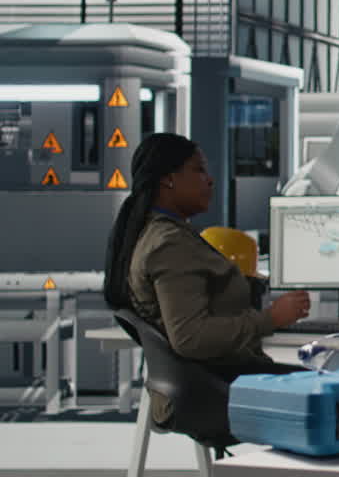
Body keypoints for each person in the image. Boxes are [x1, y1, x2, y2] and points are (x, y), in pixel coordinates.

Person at [103, 133, 311, 445]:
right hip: (219, 388)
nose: (210, 181)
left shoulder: (161, 234)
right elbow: (190, 338)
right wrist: (271, 319)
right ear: (169, 180)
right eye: (199, 170)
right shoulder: (169, 244)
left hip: (210, 382)